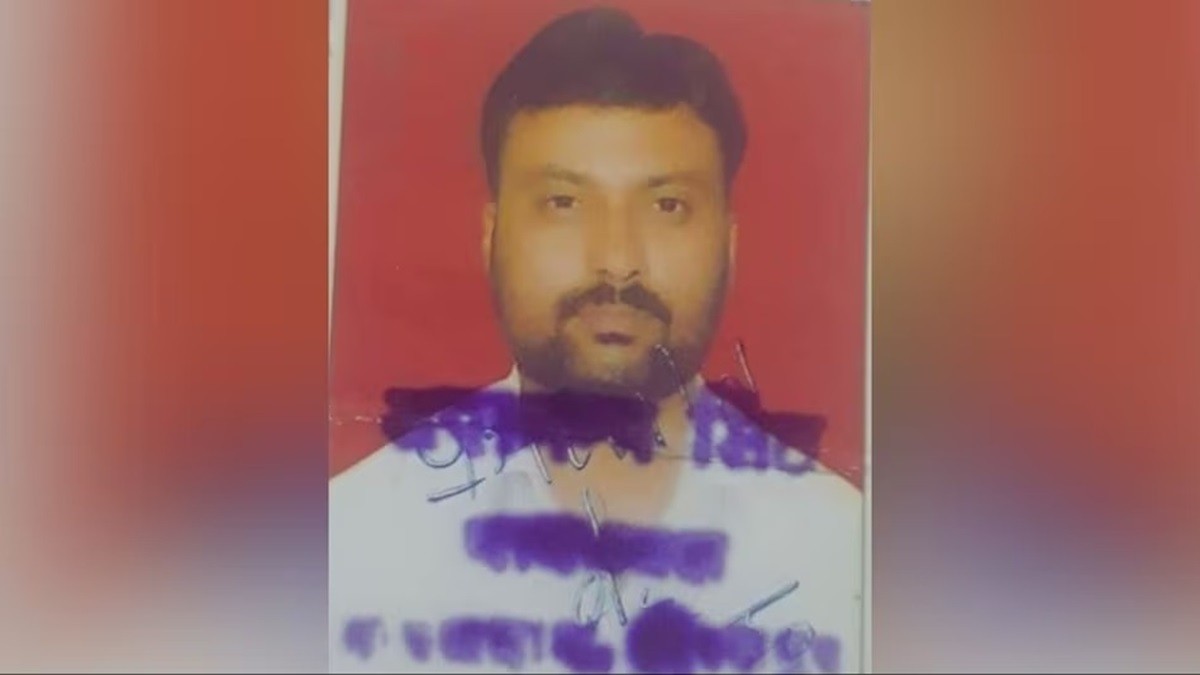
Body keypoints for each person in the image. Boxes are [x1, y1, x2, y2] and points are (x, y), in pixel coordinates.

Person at [329, 7, 862, 673]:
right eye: (563, 203)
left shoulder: (844, 552)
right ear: (491, 237)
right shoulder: (350, 544)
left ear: (728, 244)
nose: (616, 260)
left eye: (666, 205)